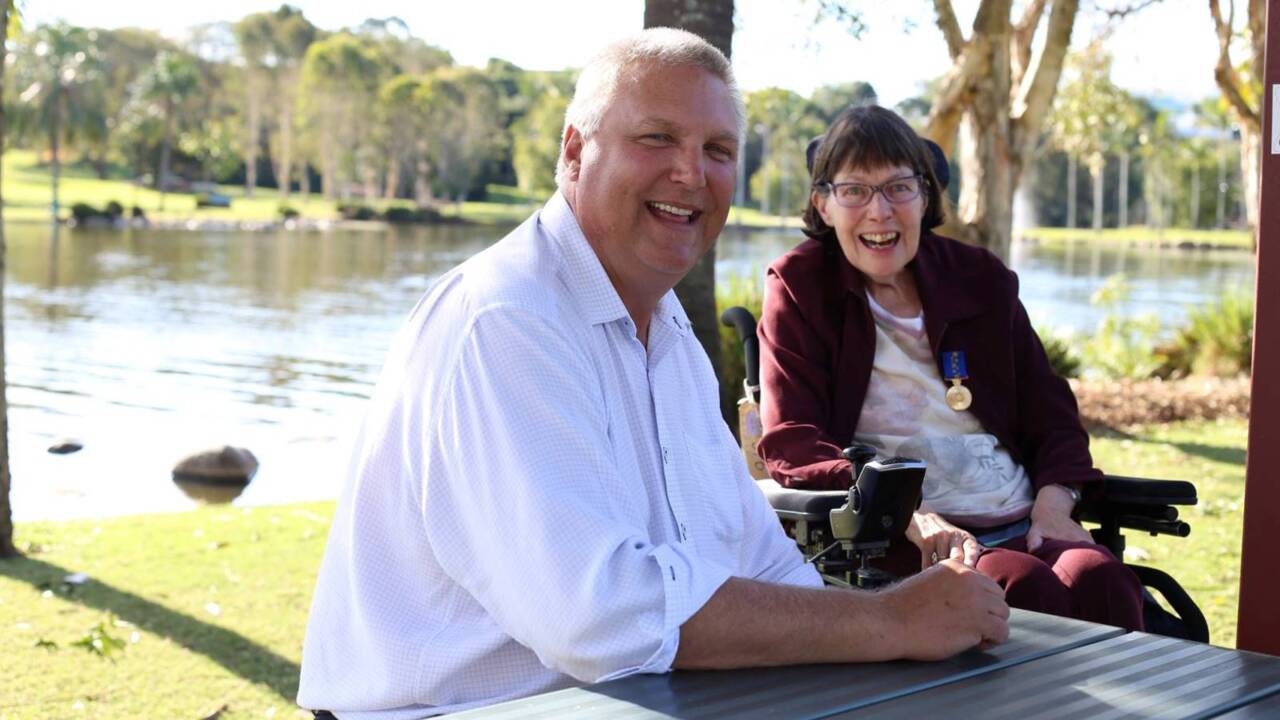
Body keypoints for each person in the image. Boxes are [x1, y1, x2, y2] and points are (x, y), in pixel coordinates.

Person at [298, 31, 1008, 719]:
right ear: (575, 153)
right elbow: (599, 616)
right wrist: (886, 624)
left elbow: (760, 560)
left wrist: (887, 632)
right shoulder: (507, 320)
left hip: (628, 699)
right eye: (657, 138)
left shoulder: (669, 337)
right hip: (458, 710)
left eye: (717, 150)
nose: (691, 173)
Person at [757, 105, 1144, 631]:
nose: (879, 211)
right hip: (905, 537)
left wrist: (1054, 507)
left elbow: (1051, 414)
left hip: (1020, 514)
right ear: (823, 204)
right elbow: (792, 439)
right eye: (854, 191)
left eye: (899, 187)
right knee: (1018, 588)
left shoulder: (978, 278)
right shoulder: (802, 286)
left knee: (1102, 578)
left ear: (925, 197)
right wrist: (900, 510)